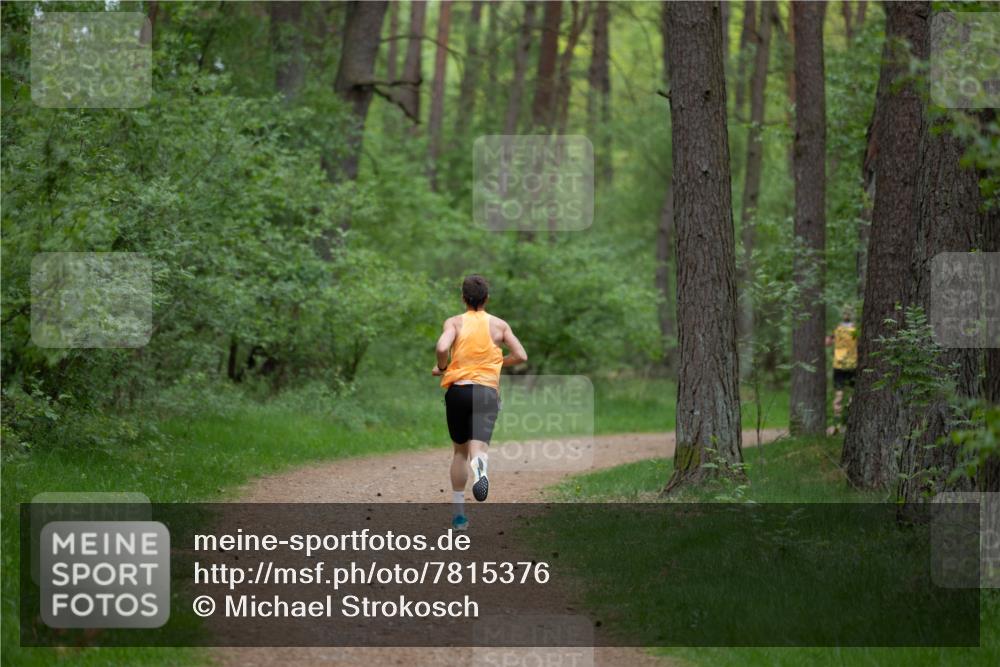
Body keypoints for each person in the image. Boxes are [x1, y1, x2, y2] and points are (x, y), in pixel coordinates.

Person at [432, 275, 527, 531]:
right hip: (486, 392)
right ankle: (481, 472)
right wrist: (495, 363)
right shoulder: (499, 325)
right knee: (478, 448)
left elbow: (442, 346)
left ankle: (459, 515)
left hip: (458, 392)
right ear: (487, 298)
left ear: (463, 298)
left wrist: (444, 366)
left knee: (459, 452)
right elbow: (521, 355)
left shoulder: (454, 322)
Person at [826, 306, 858, 426]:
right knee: (852, 393)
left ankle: (837, 422)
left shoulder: (837, 330)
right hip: (852, 364)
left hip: (838, 364)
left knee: (839, 393)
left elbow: (827, 343)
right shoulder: (855, 330)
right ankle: (850, 417)